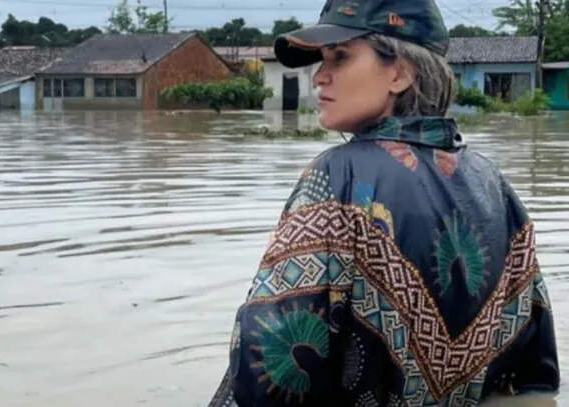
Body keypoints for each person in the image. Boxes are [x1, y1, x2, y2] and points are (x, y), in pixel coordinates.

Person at [208, 0, 561, 405]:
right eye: (321, 60)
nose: (319, 77)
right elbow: (535, 374)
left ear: (400, 72)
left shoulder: (337, 179)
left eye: (339, 57)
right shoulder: (495, 185)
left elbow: (269, 367)